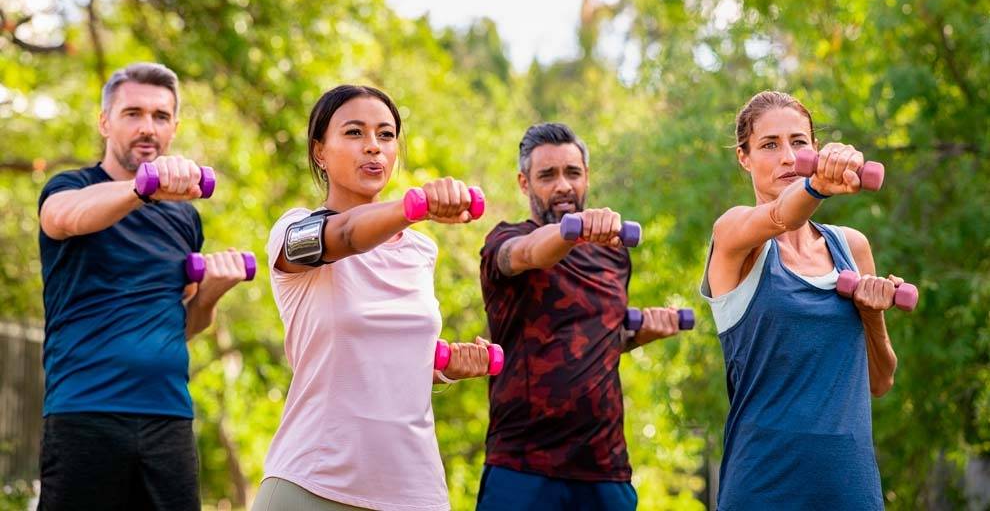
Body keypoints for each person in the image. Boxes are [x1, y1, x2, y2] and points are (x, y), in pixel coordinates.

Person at [254, 84, 493, 511]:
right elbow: (345, 233)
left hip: (413, 489)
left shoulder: (420, 252)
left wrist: (445, 367)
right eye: (354, 133)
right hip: (312, 483)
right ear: (319, 152)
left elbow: (386, 358)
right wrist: (415, 207)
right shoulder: (293, 233)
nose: (373, 147)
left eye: (385, 135)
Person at [37, 62, 250, 510]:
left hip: (167, 417)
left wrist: (212, 289)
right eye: (132, 113)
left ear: (174, 127)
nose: (147, 127)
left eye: (160, 116)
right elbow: (64, 218)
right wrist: (141, 189)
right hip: (84, 412)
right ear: (105, 122)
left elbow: (184, 323)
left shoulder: (184, 217)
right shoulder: (71, 187)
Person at [700, 90, 900, 510]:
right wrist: (816, 185)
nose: (788, 157)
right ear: (744, 157)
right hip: (762, 485)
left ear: (814, 147)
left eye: (799, 142)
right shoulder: (734, 235)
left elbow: (880, 382)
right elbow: (779, 216)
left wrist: (871, 314)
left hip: (851, 486)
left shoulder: (852, 247)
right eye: (769, 145)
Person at [476, 122, 684, 511]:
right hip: (522, 465)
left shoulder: (614, 253)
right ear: (524, 183)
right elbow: (530, 254)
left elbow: (598, 338)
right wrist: (574, 232)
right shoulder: (504, 242)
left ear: (586, 176)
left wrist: (641, 335)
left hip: (604, 468)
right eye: (547, 175)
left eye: (572, 173)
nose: (563, 186)